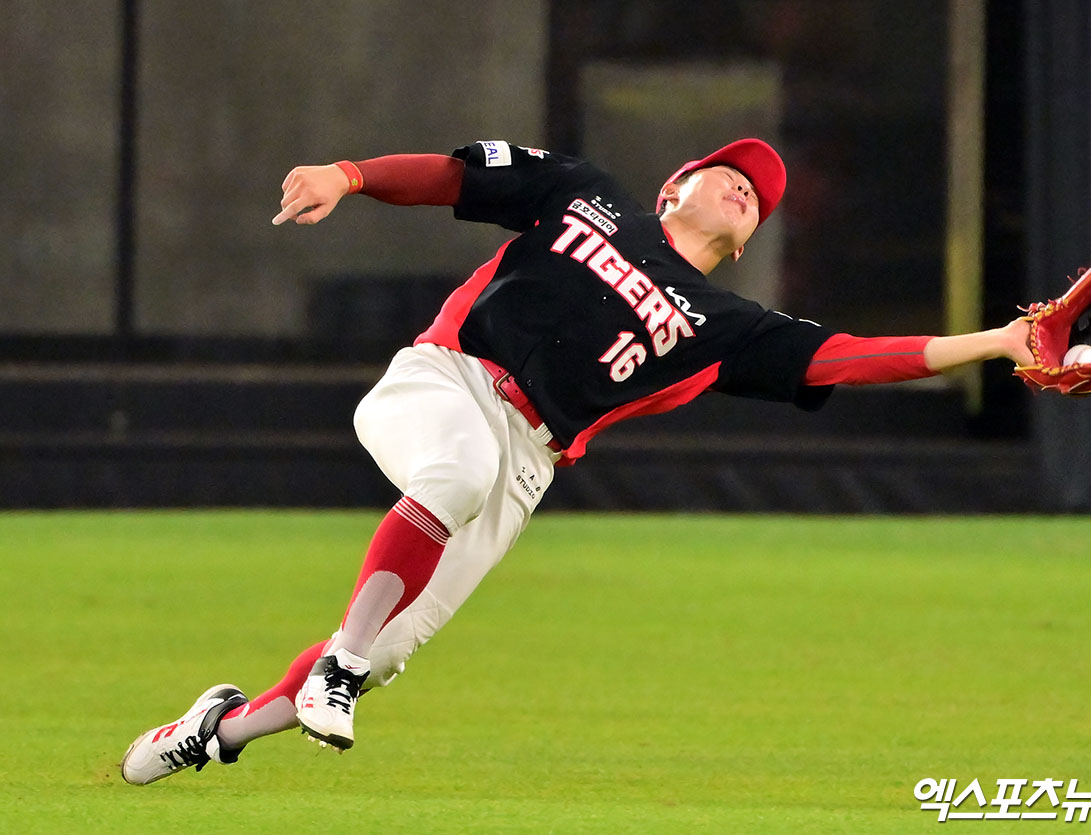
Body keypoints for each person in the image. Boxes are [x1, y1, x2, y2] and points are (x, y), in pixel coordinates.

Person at [120, 137, 1035, 785]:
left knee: (395, 642)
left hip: (527, 464)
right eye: (730, 173)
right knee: (449, 480)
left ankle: (220, 729)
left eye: (758, 197)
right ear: (677, 183)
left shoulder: (725, 326)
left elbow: (851, 354)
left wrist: (998, 340)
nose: (746, 187)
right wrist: (348, 175)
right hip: (446, 381)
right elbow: (453, 176)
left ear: (750, 240)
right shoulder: (585, 195)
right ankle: (337, 670)